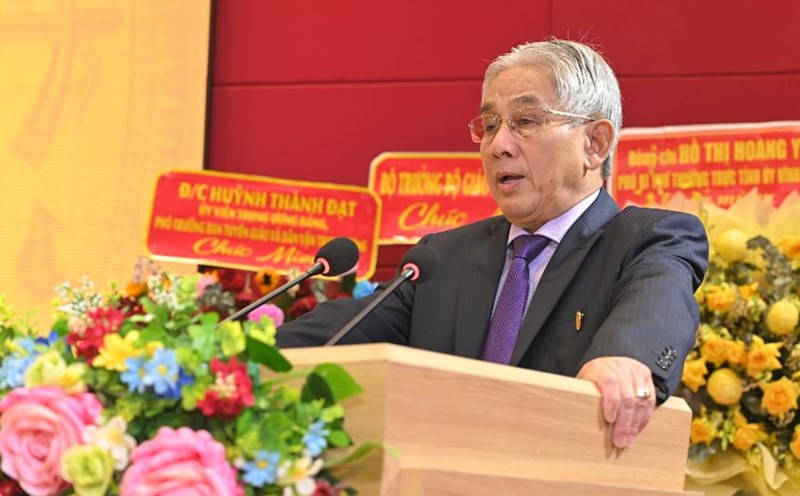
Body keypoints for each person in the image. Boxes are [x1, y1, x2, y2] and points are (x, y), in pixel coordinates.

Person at [276, 39, 708, 449]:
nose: (498, 145)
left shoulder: (648, 239)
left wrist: (624, 360)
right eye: (489, 125)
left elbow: (657, 303)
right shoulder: (440, 259)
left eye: (525, 121)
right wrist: (228, 355)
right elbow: (333, 336)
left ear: (594, 144)